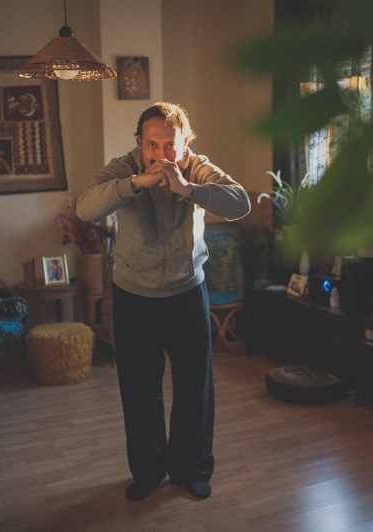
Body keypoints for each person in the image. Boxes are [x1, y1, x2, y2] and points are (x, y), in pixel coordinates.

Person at [76, 102, 250, 501]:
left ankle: (191, 470)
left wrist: (189, 190)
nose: (161, 154)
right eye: (152, 144)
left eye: (170, 144)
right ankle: (149, 471)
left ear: (185, 142)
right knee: (139, 391)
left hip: (186, 293)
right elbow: (86, 208)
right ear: (140, 142)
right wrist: (135, 183)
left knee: (194, 390)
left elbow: (241, 202)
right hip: (132, 295)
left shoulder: (196, 167)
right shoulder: (125, 167)